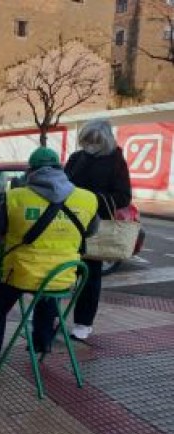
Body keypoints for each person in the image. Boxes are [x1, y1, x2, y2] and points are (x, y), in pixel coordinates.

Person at [0, 147, 99, 363]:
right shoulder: (87, 199)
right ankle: (42, 342)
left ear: (30, 171)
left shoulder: (16, 197)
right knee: (47, 292)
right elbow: (90, 231)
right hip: (64, 275)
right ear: (60, 169)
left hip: (20, 273)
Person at [64, 119, 132, 340]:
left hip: (96, 226)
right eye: (86, 140)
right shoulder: (76, 158)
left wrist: (91, 199)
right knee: (59, 271)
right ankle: (51, 317)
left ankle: (83, 323)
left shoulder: (116, 162)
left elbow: (123, 196)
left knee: (90, 276)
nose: (90, 145)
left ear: (105, 140)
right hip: (67, 224)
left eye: (95, 141)